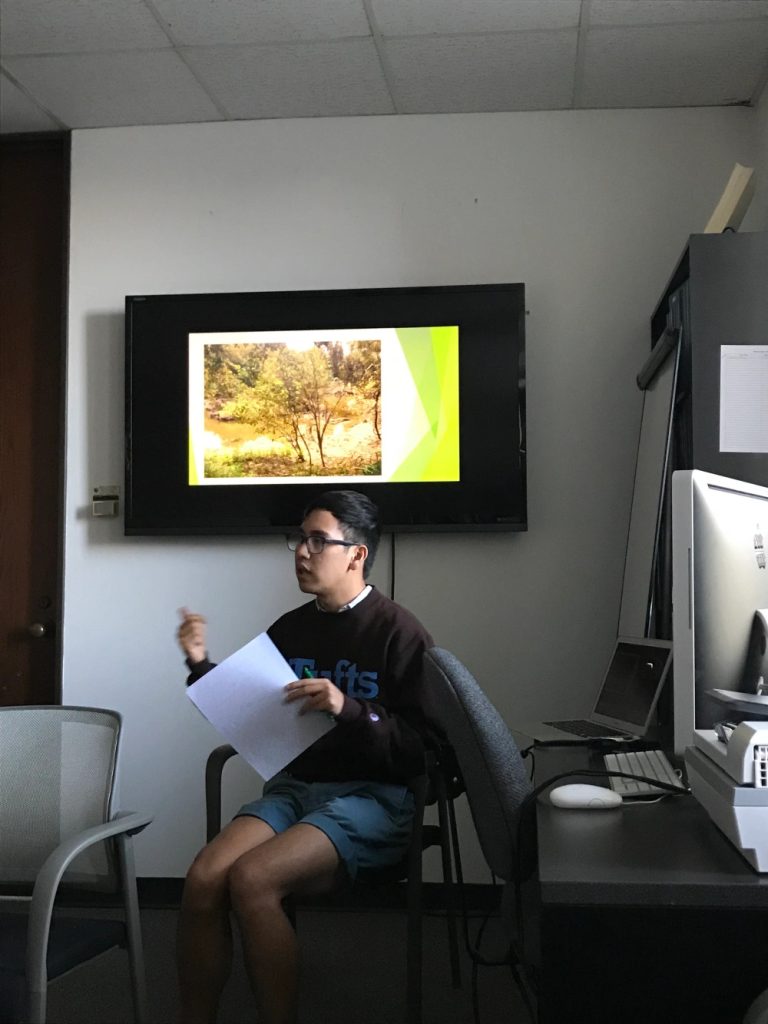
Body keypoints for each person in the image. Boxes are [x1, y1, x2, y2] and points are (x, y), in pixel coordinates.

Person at [175, 489, 434, 1024]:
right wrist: (201, 665)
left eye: (319, 540)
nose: (302, 551)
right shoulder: (290, 629)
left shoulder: (400, 632)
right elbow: (249, 707)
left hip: (376, 797)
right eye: (300, 539)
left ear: (356, 554)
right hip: (297, 791)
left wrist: (349, 708)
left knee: (253, 879)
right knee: (204, 877)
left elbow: (424, 751)